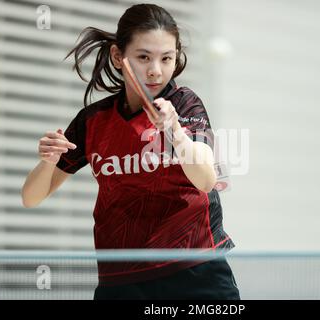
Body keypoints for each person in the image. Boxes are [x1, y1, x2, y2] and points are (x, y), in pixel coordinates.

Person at [21, 3, 239, 300]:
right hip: (121, 279)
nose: (155, 70)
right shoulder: (94, 121)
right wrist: (48, 161)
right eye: (143, 57)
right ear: (117, 56)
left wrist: (176, 132)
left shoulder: (185, 104)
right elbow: (31, 197)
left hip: (196, 272)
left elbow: (205, 180)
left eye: (167, 58)